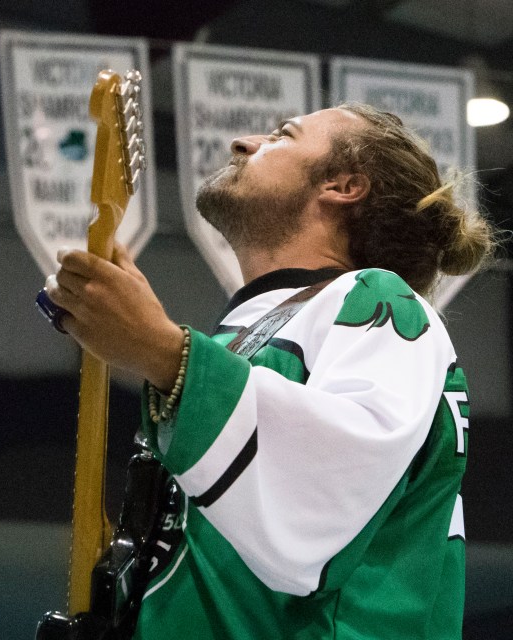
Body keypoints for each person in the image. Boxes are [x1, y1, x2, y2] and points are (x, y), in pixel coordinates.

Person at [43, 103, 496, 639]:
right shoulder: (236, 343)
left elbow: (320, 502)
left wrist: (162, 351)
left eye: (283, 135)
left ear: (343, 186)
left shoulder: (381, 303)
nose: (243, 142)